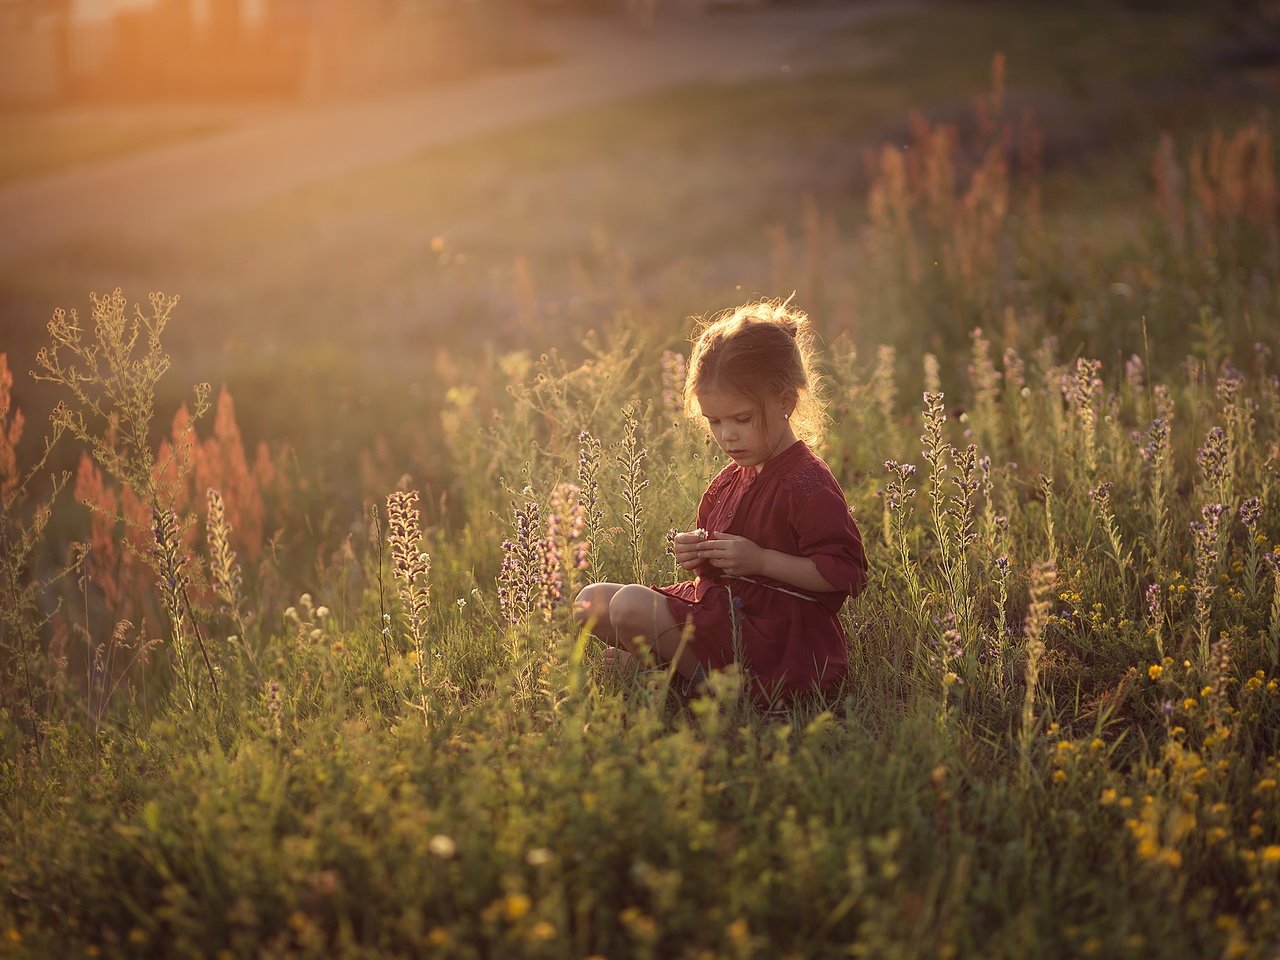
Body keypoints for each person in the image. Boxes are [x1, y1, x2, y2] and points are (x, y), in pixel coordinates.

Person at [573, 299, 868, 706]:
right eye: (715, 421)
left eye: (741, 419)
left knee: (628, 606)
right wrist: (698, 556)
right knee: (591, 602)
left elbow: (846, 574)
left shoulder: (806, 483)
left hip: (777, 638)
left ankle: (728, 693)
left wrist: (760, 560)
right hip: (727, 614)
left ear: (785, 402)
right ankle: (679, 671)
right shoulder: (731, 479)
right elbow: (717, 573)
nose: (727, 436)